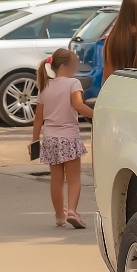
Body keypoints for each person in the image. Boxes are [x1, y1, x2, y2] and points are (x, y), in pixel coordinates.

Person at [31, 48, 95, 228]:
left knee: (56, 180)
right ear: (67, 66)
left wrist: (35, 140)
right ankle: (72, 211)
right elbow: (78, 105)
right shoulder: (73, 83)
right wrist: (97, 115)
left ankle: (60, 215)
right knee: (73, 179)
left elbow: (38, 118)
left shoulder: (45, 87)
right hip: (69, 138)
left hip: (50, 140)